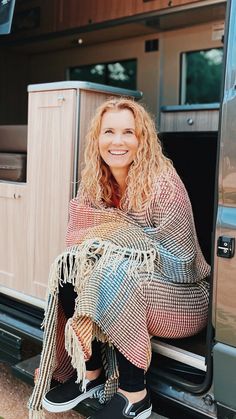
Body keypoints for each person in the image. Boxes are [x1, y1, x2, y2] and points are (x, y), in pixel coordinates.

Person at [28, 98, 210, 419]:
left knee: (119, 269)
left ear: (143, 139)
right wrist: (116, 245)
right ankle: (91, 373)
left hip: (185, 297)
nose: (117, 141)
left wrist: (119, 240)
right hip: (125, 288)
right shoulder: (94, 183)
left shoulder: (163, 184)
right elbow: (78, 241)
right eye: (108, 131)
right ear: (96, 139)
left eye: (129, 132)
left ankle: (134, 393)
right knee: (70, 266)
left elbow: (182, 261)